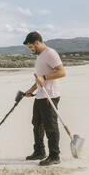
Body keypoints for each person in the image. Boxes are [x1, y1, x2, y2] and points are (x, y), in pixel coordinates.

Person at [23, 31, 66, 166]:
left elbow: (61, 72)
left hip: (50, 95)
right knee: (37, 124)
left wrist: (45, 78)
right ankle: (39, 152)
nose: (31, 50)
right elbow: (39, 78)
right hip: (40, 95)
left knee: (50, 127)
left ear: (37, 42)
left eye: (31, 47)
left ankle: (54, 156)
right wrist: (31, 90)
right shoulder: (40, 56)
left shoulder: (50, 53)